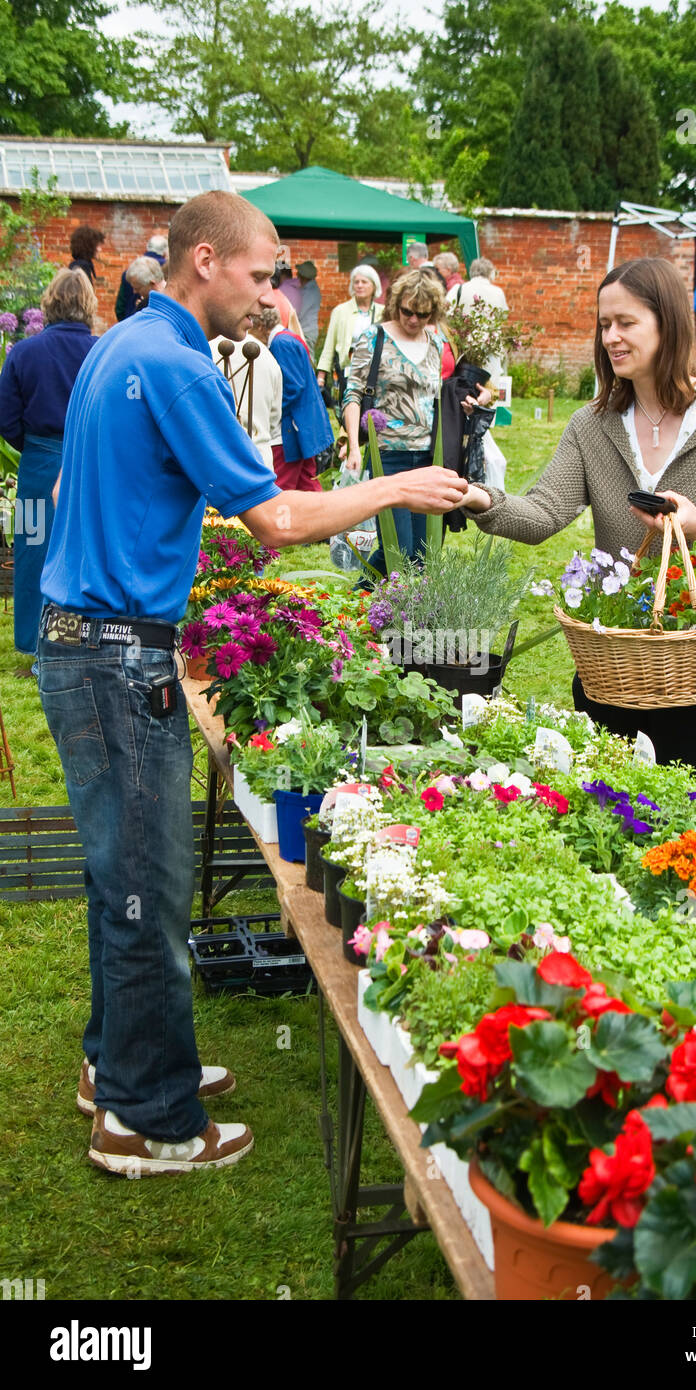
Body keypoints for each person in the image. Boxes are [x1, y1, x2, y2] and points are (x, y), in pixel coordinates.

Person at [38, 189, 468, 1177]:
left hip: (81, 645)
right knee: (147, 886)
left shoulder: (120, 342)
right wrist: (399, 485)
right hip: (117, 654)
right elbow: (273, 518)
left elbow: (71, 489)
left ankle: (120, 1063)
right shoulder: (181, 363)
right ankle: (149, 1120)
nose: (276, 296)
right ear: (206, 261)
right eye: (264, 274)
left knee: (120, 879)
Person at [461, 257, 696, 797]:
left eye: (626, 322)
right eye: (603, 324)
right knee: (609, 821)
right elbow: (545, 513)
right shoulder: (592, 425)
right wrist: (477, 497)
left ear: (669, 323)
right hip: (618, 669)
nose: (610, 337)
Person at [342, 269, 486, 576]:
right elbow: (353, 393)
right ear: (396, 305)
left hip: (427, 456)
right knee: (398, 550)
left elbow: (443, 390)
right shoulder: (373, 337)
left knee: (423, 553)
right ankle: (360, 600)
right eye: (408, 311)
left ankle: (398, 605)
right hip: (387, 455)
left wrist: (474, 396)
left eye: (422, 314)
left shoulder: (435, 342)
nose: (413, 319)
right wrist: (353, 445)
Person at [0, 267, 98, 673]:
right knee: (79, 549)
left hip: (38, 466)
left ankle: (32, 640)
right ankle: (69, 637)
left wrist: (36, 447)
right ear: (88, 304)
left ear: (49, 302)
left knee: (32, 546)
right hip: (87, 466)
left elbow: (6, 418)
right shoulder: (101, 351)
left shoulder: (24, 353)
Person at [262, 304, 332, 492]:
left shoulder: (280, 343)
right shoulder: (289, 337)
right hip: (305, 424)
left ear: (260, 325)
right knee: (307, 483)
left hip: (293, 426)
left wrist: (271, 413)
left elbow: (292, 386)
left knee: (282, 486)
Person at [210, 324, 283, 469]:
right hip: (259, 460)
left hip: (217, 460)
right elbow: (274, 419)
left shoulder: (204, 349)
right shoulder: (266, 355)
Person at [315, 264, 384, 399]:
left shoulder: (383, 312)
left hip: (375, 373)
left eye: (364, 282)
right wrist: (321, 377)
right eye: (356, 282)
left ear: (374, 286)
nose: (359, 285)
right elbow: (329, 346)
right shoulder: (340, 311)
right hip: (347, 373)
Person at [115, 234, 168, 321]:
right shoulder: (170, 270)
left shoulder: (131, 270)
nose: (135, 291)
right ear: (165, 251)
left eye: (137, 288)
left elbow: (120, 308)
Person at [292, 261, 321, 351]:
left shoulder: (311, 291)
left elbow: (299, 312)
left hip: (307, 332)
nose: (297, 276)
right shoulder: (306, 288)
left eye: (299, 274)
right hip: (305, 330)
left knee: (308, 357)